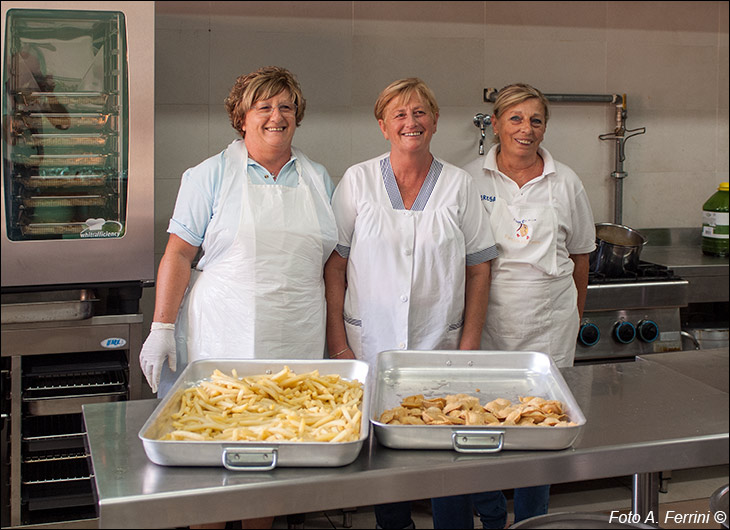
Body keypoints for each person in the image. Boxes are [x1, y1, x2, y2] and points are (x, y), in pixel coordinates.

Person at [138, 66, 337, 530]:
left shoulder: (318, 178)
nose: (276, 116)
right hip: (221, 342)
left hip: (293, 345)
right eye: (263, 106)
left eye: (286, 106)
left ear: (298, 115)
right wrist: (162, 327)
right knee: (210, 460)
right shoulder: (208, 175)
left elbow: (332, 264)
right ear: (241, 116)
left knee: (271, 457)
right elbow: (178, 255)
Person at [324, 77, 498, 529]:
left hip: (439, 343)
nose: (411, 122)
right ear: (382, 125)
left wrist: (469, 346)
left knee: (446, 454)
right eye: (399, 114)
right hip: (371, 343)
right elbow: (335, 266)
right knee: (384, 454)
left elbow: (479, 267)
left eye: (420, 112)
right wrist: (340, 346)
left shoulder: (459, 185)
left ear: (435, 122)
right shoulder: (357, 181)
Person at [457, 83, 596, 529]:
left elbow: (580, 256)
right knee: (481, 423)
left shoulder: (565, 181)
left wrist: (574, 316)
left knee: (542, 429)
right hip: (487, 322)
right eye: (515, 118)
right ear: (495, 124)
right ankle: (493, 510)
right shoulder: (468, 179)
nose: (526, 129)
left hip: (548, 325)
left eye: (536, 120)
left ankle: (535, 518)